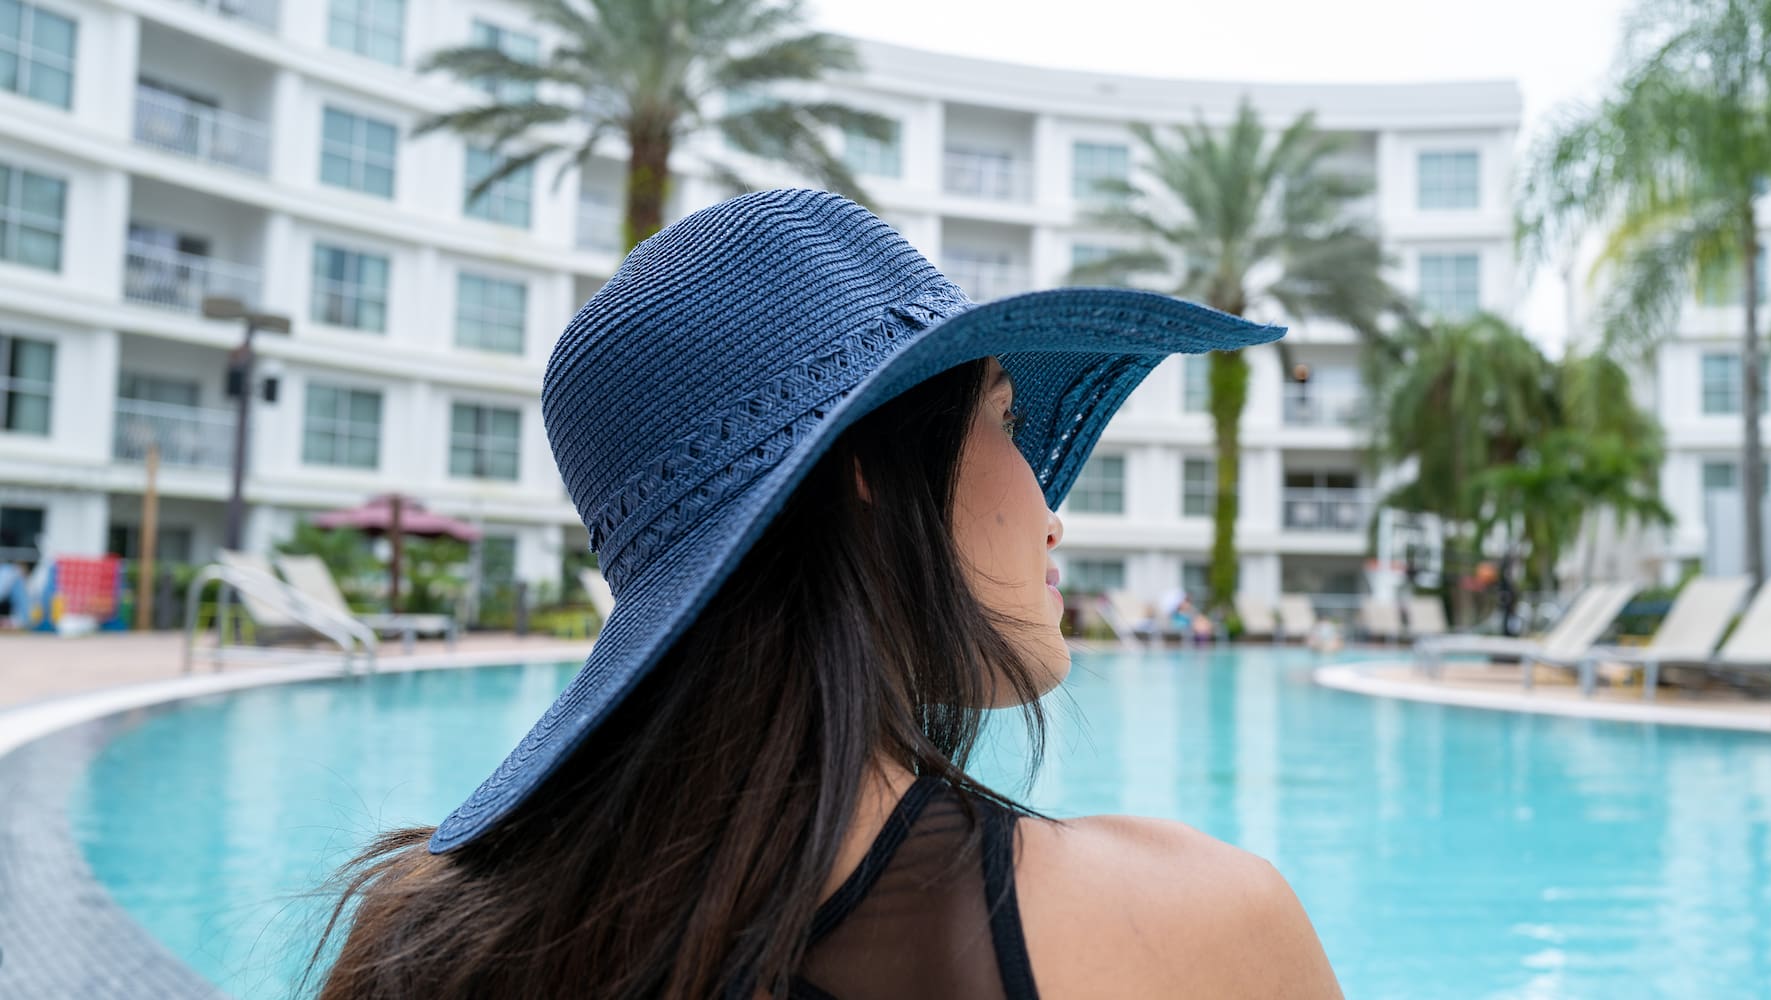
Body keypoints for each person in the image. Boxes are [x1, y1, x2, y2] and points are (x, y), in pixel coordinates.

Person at [310, 190, 1341, 999]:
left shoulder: (427, 938)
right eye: (999, 415)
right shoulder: (1191, 930)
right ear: (865, 473)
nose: (1050, 507)